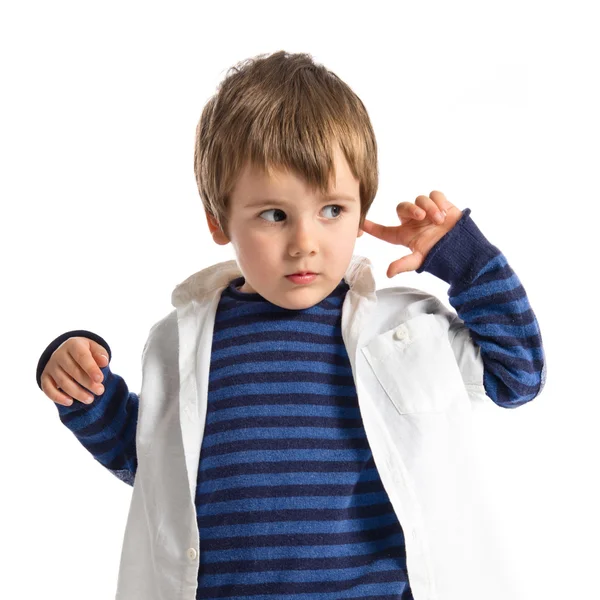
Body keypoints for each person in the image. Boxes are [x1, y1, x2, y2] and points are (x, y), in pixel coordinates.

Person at [36, 50, 546, 600]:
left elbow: (517, 374)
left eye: (332, 210)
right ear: (218, 219)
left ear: (361, 207)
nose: (305, 242)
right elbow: (154, 468)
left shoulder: (400, 329)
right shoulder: (180, 339)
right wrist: (85, 391)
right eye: (274, 215)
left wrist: (461, 259)